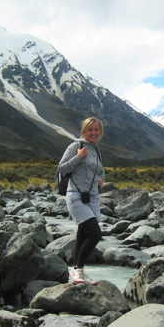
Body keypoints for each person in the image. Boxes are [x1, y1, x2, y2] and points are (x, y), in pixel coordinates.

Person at [57, 117, 105, 285]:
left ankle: (80, 273)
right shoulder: (76, 146)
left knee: (82, 235)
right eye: (90, 130)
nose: (93, 133)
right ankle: (77, 269)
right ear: (84, 131)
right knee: (95, 234)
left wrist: (100, 181)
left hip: (92, 197)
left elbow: (100, 172)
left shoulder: (96, 150)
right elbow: (61, 168)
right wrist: (78, 157)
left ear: (100, 132)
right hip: (76, 195)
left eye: (96, 130)